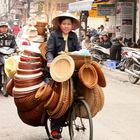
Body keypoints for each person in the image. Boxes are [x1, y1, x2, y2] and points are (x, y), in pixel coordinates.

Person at [46, 12, 81, 139]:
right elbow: (49, 51)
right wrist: (50, 61)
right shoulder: (54, 35)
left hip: (71, 67)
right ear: (60, 25)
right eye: (64, 24)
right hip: (57, 68)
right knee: (58, 99)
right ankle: (55, 129)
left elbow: (79, 50)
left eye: (69, 24)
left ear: (72, 26)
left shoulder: (73, 36)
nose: (66, 26)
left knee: (78, 91)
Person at [0, 21, 17, 96]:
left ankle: (8, 86)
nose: (4, 29)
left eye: (5, 27)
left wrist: (17, 49)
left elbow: (15, 45)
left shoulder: (11, 36)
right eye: (2, 27)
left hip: (9, 55)